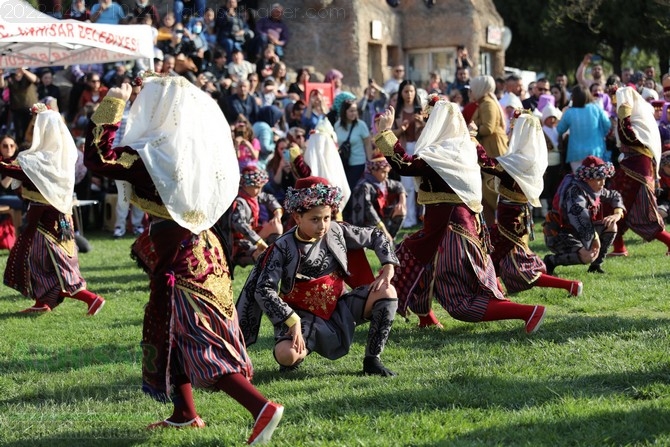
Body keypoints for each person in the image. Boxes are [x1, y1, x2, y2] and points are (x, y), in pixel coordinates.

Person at [83, 77, 283, 443]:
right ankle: (184, 413)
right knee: (174, 332)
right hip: (204, 250)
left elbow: (97, 157)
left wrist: (113, 103)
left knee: (198, 340)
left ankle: (261, 407)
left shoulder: (151, 156)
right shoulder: (190, 150)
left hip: (179, 260)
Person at [374, 100, 546, 332]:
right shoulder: (463, 147)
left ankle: (528, 312)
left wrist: (385, 132)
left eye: (430, 120)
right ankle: (427, 320)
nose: (427, 125)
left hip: (452, 234)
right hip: (448, 229)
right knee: (414, 266)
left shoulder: (441, 154)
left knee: (459, 304)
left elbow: (405, 165)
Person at [236, 176, 400, 376]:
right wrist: (291, 320)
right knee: (286, 355)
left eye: (327, 218)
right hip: (300, 316)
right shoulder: (283, 246)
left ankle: (372, 360)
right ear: (297, 218)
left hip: (340, 307)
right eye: (315, 219)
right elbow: (263, 289)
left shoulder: (337, 230)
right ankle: (295, 354)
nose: (322, 226)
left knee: (387, 291)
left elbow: (376, 235)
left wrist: (388, 265)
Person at [0, 104, 105, 315]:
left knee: (47, 263)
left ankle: (91, 298)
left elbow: (15, 170)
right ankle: (43, 301)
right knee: (46, 262)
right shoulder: (63, 156)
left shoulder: (37, 159)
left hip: (44, 220)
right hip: (62, 218)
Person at [483, 111, 583, 296]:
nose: (510, 133)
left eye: (514, 129)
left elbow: (488, 164)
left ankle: (570, 285)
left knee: (520, 269)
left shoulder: (520, 159)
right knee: (493, 255)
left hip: (512, 218)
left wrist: (473, 142)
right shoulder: (524, 156)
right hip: (513, 214)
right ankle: (495, 292)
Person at [608, 86, 670, 256]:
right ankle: (619, 248)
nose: (617, 105)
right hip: (635, 168)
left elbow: (627, 135)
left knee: (639, 213)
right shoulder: (641, 117)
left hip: (635, 170)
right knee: (617, 206)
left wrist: (623, 116)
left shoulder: (632, 115)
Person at [543, 156, 625, 274]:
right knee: (588, 255)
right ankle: (551, 261)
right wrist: (595, 240)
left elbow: (614, 195)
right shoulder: (575, 192)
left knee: (611, 225)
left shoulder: (593, 188)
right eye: (598, 179)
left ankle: (596, 266)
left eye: (604, 178)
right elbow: (581, 220)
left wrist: (617, 213)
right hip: (559, 234)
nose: (602, 183)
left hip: (579, 231)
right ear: (587, 178)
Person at [226, 165, 283, 270]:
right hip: (239, 241)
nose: (259, 190)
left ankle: (272, 254)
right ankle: (264, 260)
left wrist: (277, 213)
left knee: (277, 226)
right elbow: (241, 225)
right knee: (259, 254)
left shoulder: (254, 196)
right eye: (256, 187)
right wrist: (259, 241)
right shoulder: (239, 202)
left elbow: (269, 198)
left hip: (253, 235)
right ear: (246, 186)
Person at [470, 75, 508, 227]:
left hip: (493, 149)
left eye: (473, 89)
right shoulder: (484, 103)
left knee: (490, 188)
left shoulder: (487, 104)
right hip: (490, 148)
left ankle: (494, 226)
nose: (471, 92)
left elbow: (488, 128)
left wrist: (473, 128)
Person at [350, 155, 406, 242]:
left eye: (387, 172)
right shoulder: (364, 186)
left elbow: (399, 186)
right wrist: (383, 229)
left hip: (380, 217)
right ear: (373, 170)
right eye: (383, 172)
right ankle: (384, 239)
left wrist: (401, 202)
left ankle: (389, 240)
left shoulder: (383, 182)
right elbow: (369, 211)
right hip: (365, 223)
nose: (386, 176)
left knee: (401, 211)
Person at [393, 80, 425, 228]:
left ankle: (423, 217)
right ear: (401, 93)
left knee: (421, 184)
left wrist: (423, 123)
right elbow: (390, 133)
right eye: (406, 91)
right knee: (407, 186)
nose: (409, 94)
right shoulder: (397, 110)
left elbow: (432, 129)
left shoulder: (421, 109)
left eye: (411, 91)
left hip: (420, 149)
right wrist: (401, 129)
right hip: (404, 149)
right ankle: (409, 218)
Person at [557, 85, 611, 171]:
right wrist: (601, 134)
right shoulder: (597, 108)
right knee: (595, 182)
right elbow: (607, 125)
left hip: (576, 154)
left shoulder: (569, 112)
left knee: (579, 182)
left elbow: (560, 129)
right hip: (596, 151)